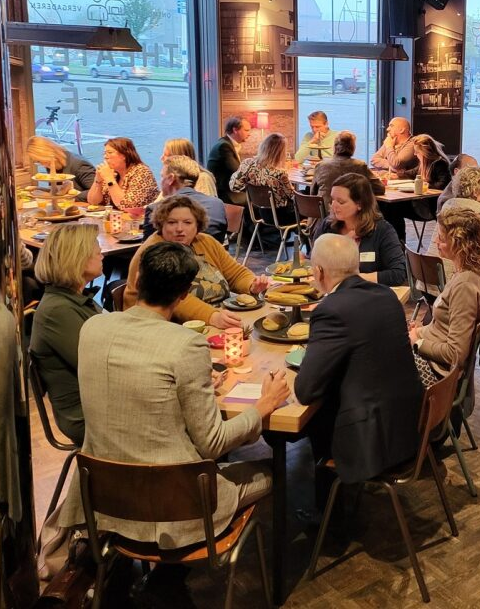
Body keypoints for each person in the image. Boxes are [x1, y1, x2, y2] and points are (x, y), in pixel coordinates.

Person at [53, 241, 289, 550]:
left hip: (104, 495)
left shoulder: (93, 327)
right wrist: (263, 406)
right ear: (184, 293)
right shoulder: (186, 345)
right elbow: (212, 443)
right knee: (273, 471)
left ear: (136, 280)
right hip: (177, 505)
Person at [294, 235, 422, 508]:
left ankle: (328, 514)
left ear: (318, 272)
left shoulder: (330, 310)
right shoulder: (387, 296)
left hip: (370, 438)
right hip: (408, 425)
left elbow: (305, 390)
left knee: (295, 425)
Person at [124, 195, 269, 328]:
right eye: (172, 222)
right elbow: (170, 298)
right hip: (166, 327)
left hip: (218, 319)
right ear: (161, 225)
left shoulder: (206, 242)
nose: (180, 229)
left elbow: (235, 273)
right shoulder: (154, 252)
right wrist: (211, 316)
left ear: (197, 226)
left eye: (187, 223)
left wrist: (251, 285)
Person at [28, 224, 104, 445]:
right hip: (84, 415)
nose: (100, 252)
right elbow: (98, 365)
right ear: (76, 257)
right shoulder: (57, 310)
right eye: (95, 248)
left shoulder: (72, 299)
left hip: (99, 401)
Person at [409, 208, 480, 384]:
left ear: (459, 243)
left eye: (442, 237)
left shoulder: (465, 286)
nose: (436, 241)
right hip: (432, 353)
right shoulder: (466, 272)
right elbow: (443, 329)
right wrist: (418, 332)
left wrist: (418, 342)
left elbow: (456, 354)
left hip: (437, 372)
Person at [311, 172, 407, 286]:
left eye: (341, 202)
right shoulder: (327, 225)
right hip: (331, 295)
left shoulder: (382, 230)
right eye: (333, 200)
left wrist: (353, 279)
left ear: (359, 204)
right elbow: (315, 263)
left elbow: (398, 274)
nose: (334, 206)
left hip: (368, 295)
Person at [427, 166, 480, 276]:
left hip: (428, 279)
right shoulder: (478, 211)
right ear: (476, 191)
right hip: (454, 285)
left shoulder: (448, 205)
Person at [142, 155, 227, 242]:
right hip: (213, 254)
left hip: (174, 254)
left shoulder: (156, 209)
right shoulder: (217, 204)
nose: (161, 181)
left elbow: (147, 250)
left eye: (162, 176)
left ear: (171, 179)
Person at [312, 131, 385, 209]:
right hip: (348, 218)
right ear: (353, 147)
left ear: (335, 147)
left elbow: (312, 193)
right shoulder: (359, 166)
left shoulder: (320, 166)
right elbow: (379, 189)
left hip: (320, 216)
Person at [85, 137, 158, 209]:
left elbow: (127, 206)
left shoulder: (141, 172)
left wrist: (110, 179)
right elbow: (93, 202)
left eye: (110, 153)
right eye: (105, 153)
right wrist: (98, 180)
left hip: (139, 219)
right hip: (115, 218)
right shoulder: (113, 172)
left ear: (124, 155)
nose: (105, 157)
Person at [230, 132, 296, 207]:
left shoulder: (247, 164)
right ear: (280, 153)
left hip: (260, 210)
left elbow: (234, 186)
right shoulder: (280, 173)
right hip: (280, 213)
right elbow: (293, 197)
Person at [26, 136, 96, 198]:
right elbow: (57, 192)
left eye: (41, 160)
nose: (42, 164)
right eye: (38, 162)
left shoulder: (79, 164)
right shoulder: (51, 165)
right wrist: (38, 189)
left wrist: (71, 194)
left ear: (47, 154)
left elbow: (97, 193)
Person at [207, 116, 251, 204]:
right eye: (246, 130)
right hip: (225, 193)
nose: (249, 134)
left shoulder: (226, 143)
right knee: (260, 203)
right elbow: (237, 172)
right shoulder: (224, 146)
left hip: (230, 190)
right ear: (235, 130)